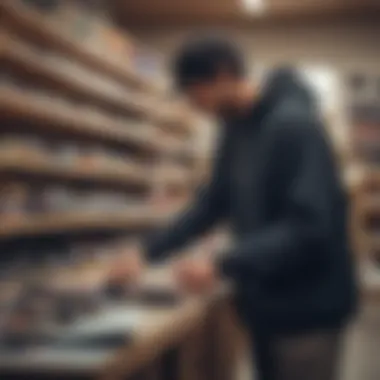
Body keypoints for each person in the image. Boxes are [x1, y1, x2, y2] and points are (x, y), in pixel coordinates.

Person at [112, 36, 358, 380]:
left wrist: (222, 263)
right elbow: (212, 203)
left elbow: (309, 227)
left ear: (224, 74)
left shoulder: (294, 125)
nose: (195, 105)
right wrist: (146, 252)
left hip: (307, 309)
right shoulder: (235, 131)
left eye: (196, 92)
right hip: (265, 306)